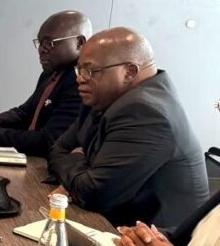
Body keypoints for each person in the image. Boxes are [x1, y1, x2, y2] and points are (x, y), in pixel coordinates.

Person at [47, 27, 208, 228]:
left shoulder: (146, 112)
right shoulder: (102, 96)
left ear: (129, 72)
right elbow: (57, 149)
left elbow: (94, 193)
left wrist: (77, 160)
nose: (80, 78)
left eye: (89, 70)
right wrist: (81, 173)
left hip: (153, 237)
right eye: (79, 70)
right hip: (113, 220)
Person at [0, 10, 89, 156]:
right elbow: (23, 114)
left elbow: (48, 141)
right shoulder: (51, 73)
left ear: (79, 43)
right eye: (40, 42)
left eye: (49, 43)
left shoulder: (81, 83)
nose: (41, 49)